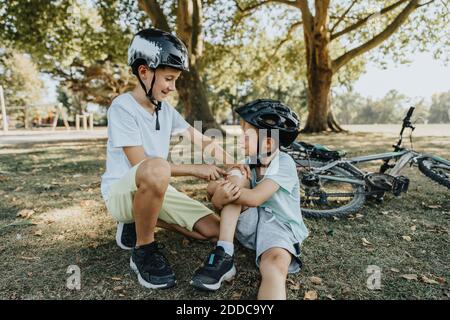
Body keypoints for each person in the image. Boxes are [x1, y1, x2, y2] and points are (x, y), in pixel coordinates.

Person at [100, 28, 248, 289]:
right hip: (122, 193)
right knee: (155, 167)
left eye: (175, 80)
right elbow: (140, 164)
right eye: (168, 78)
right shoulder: (122, 107)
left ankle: (139, 220)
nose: (172, 87)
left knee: (212, 230)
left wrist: (231, 163)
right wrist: (195, 169)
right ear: (144, 71)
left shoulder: (165, 110)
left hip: (155, 186)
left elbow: (201, 139)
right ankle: (143, 249)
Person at [191, 99, 309, 300]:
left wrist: (223, 190)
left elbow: (254, 198)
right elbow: (217, 198)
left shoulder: (284, 163)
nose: (241, 142)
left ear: (268, 142)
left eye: (246, 137)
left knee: (273, 267)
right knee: (238, 175)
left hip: (280, 230)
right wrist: (219, 188)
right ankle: (224, 253)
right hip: (251, 225)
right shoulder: (248, 163)